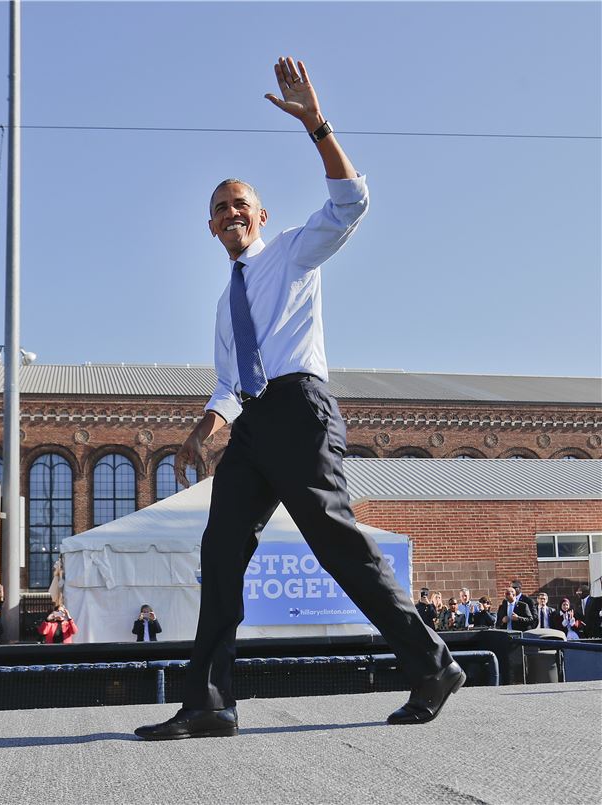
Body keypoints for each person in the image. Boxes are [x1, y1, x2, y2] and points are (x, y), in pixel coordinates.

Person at [135, 56, 459, 742]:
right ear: (211, 226)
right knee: (220, 550)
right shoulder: (226, 303)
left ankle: (433, 662)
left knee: (335, 544)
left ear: (260, 215)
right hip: (253, 425)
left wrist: (317, 125)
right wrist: (205, 428)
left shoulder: (291, 253)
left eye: (239, 204)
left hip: (302, 410)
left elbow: (352, 202)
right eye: (219, 207)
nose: (230, 213)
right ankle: (209, 702)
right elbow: (230, 378)